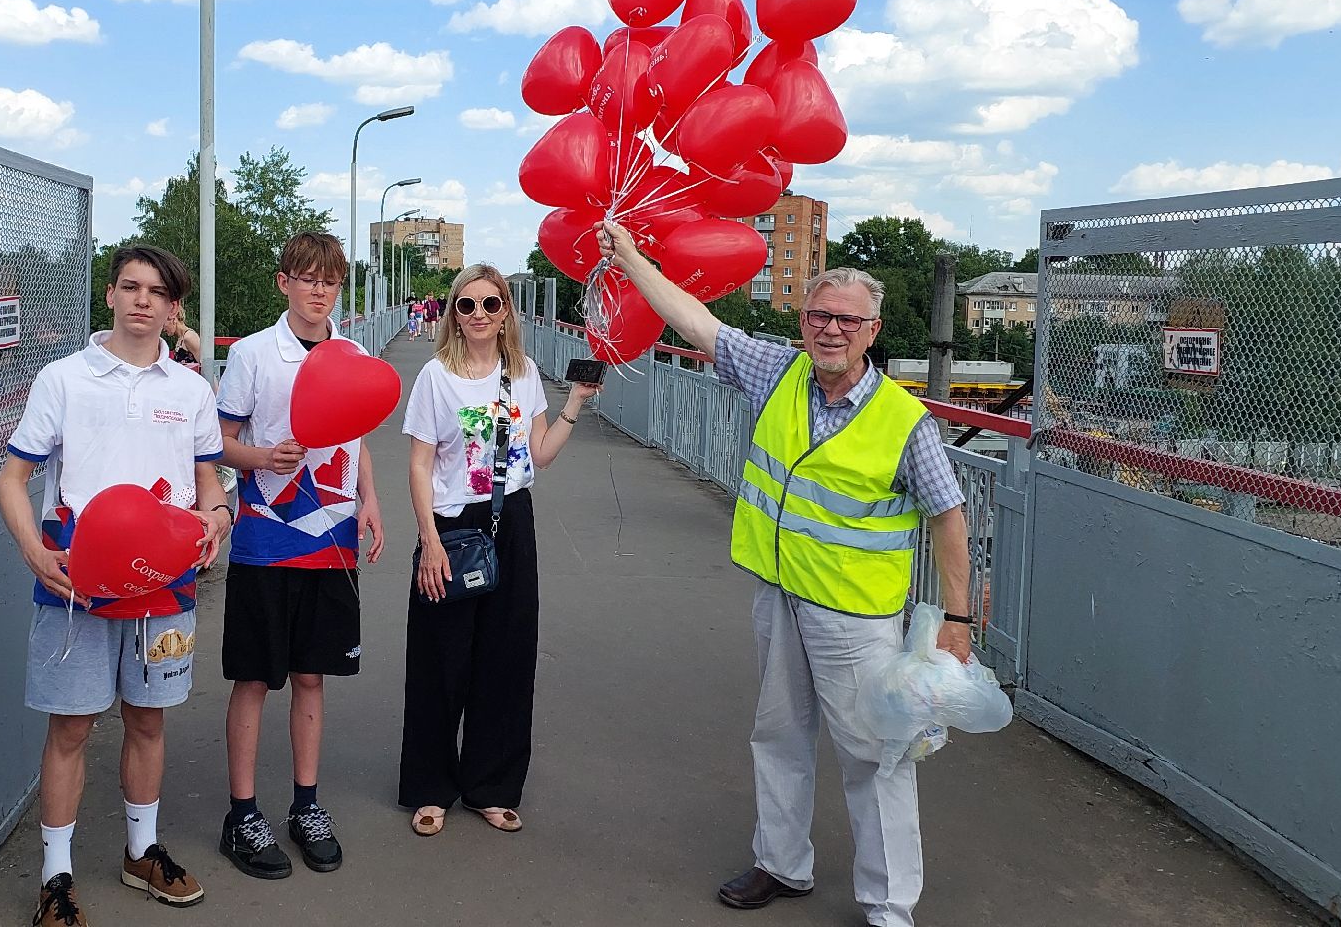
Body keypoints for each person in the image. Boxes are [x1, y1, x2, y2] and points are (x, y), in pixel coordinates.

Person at [596, 220, 972, 927]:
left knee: (875, 757)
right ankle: (782, 863)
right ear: (803, 322)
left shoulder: (904, 421)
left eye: (846, 320)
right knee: (778, 737)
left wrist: (957, 621)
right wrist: (632, 260)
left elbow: (948, 518)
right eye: (818, 315)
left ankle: (890, 904)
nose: (831, 330)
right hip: (781, 598)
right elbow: (696, 321)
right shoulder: (779, 372)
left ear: (872, 330)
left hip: (856, 620)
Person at [0, 244, 231, 926]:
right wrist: (33, 550)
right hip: (76, 581)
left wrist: (216, 518)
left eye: (157, 292)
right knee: (71, 726)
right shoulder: (64, 379)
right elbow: (12, 477)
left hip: (164, 582)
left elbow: (210, 482)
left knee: (148, 718)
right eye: (131, 287)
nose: (142, 301)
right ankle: (56, 876)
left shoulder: (190, 391)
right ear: (110, 295)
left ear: (171, 307)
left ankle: (141, 851)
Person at [398, 264, 600, 837]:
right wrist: (429, 541)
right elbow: (418, 465)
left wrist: (576, 401)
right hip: (452, 525)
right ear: (452, 314)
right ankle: (431, 786)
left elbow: (539, 453)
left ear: (506, 311)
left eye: (491, 304)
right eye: (467, 305)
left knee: (506, 657)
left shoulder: (524, 374)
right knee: (441, 660)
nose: (480, 314)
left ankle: (491, 785)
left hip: (510, 518)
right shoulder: (436, 378)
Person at [214, 232, 385, 879]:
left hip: (333, 537)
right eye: (307, 278)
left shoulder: (352, 352)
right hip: (266, 537)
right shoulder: (255, 355)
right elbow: (218, 442)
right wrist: (262, 458)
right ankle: (242, 812)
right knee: (254, 678)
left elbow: (358, 438)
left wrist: (370, 499)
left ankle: (306, 805)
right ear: (284, 282)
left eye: (330, 280)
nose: (319, 290)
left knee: (312, 675)